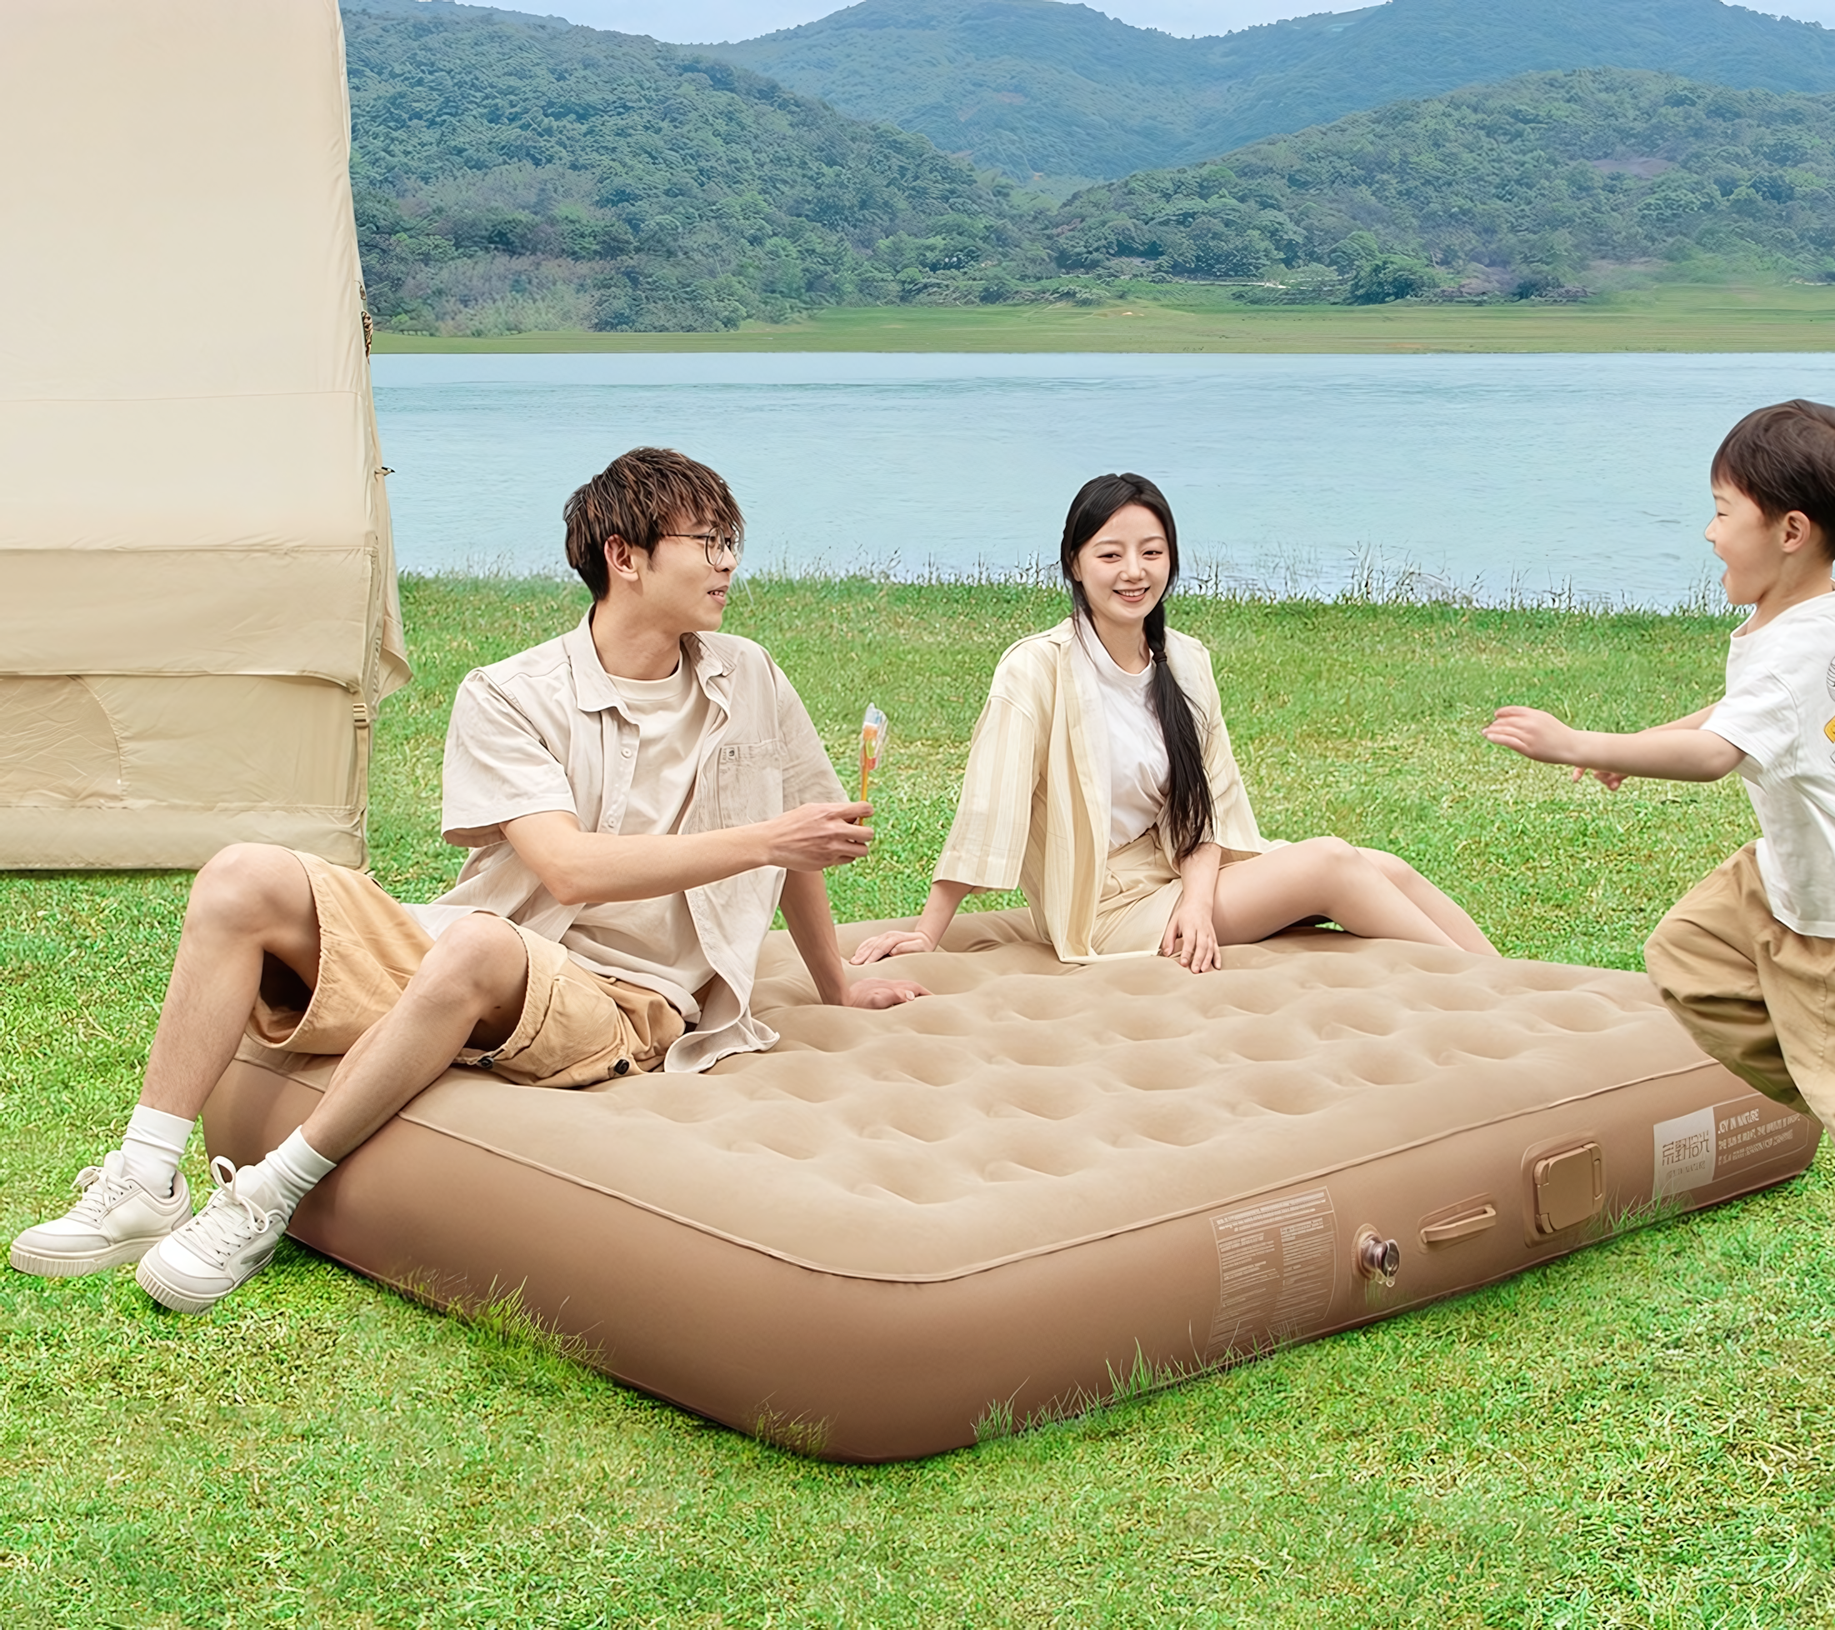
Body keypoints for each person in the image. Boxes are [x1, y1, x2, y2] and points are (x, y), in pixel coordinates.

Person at [10, 447, 926, 1313]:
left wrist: (836, 983)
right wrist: (765, 841)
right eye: (708, 541)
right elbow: (568, 868)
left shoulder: (750, 676)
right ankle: (146, 1176)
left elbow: (800, 842)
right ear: (625, 557)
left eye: (732, 542)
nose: (728, 562)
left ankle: (265, 1197)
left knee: (483, 948)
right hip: (485, 942)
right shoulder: (511, 692)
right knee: (240, 876)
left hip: (628, 997)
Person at [1484, 399, 1835, 1367]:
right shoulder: (1795, 619)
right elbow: (1734, 712)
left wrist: (1579, 743)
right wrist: (1641, 745)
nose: (1709, 532)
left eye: (1723, 512)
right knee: (1684, 953)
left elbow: (1720, 755)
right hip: (1789, 880)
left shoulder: (1801, 644)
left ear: (1789, 532)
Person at [852, 471, 1495, 974]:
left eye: (1151, 552)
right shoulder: (1035, 669)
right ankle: (1481, 986)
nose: (1133, 572)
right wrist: (927, 933)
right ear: (1075, 563)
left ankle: (1518, 983)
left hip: (1178, 876)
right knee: (1329, 861)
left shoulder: (1186, 661)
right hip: (1105, 907)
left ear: (1171, 558)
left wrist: (1197, 900)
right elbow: (987, 812)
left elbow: (1205, 810)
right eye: (1110, 554)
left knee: (1386, 867)